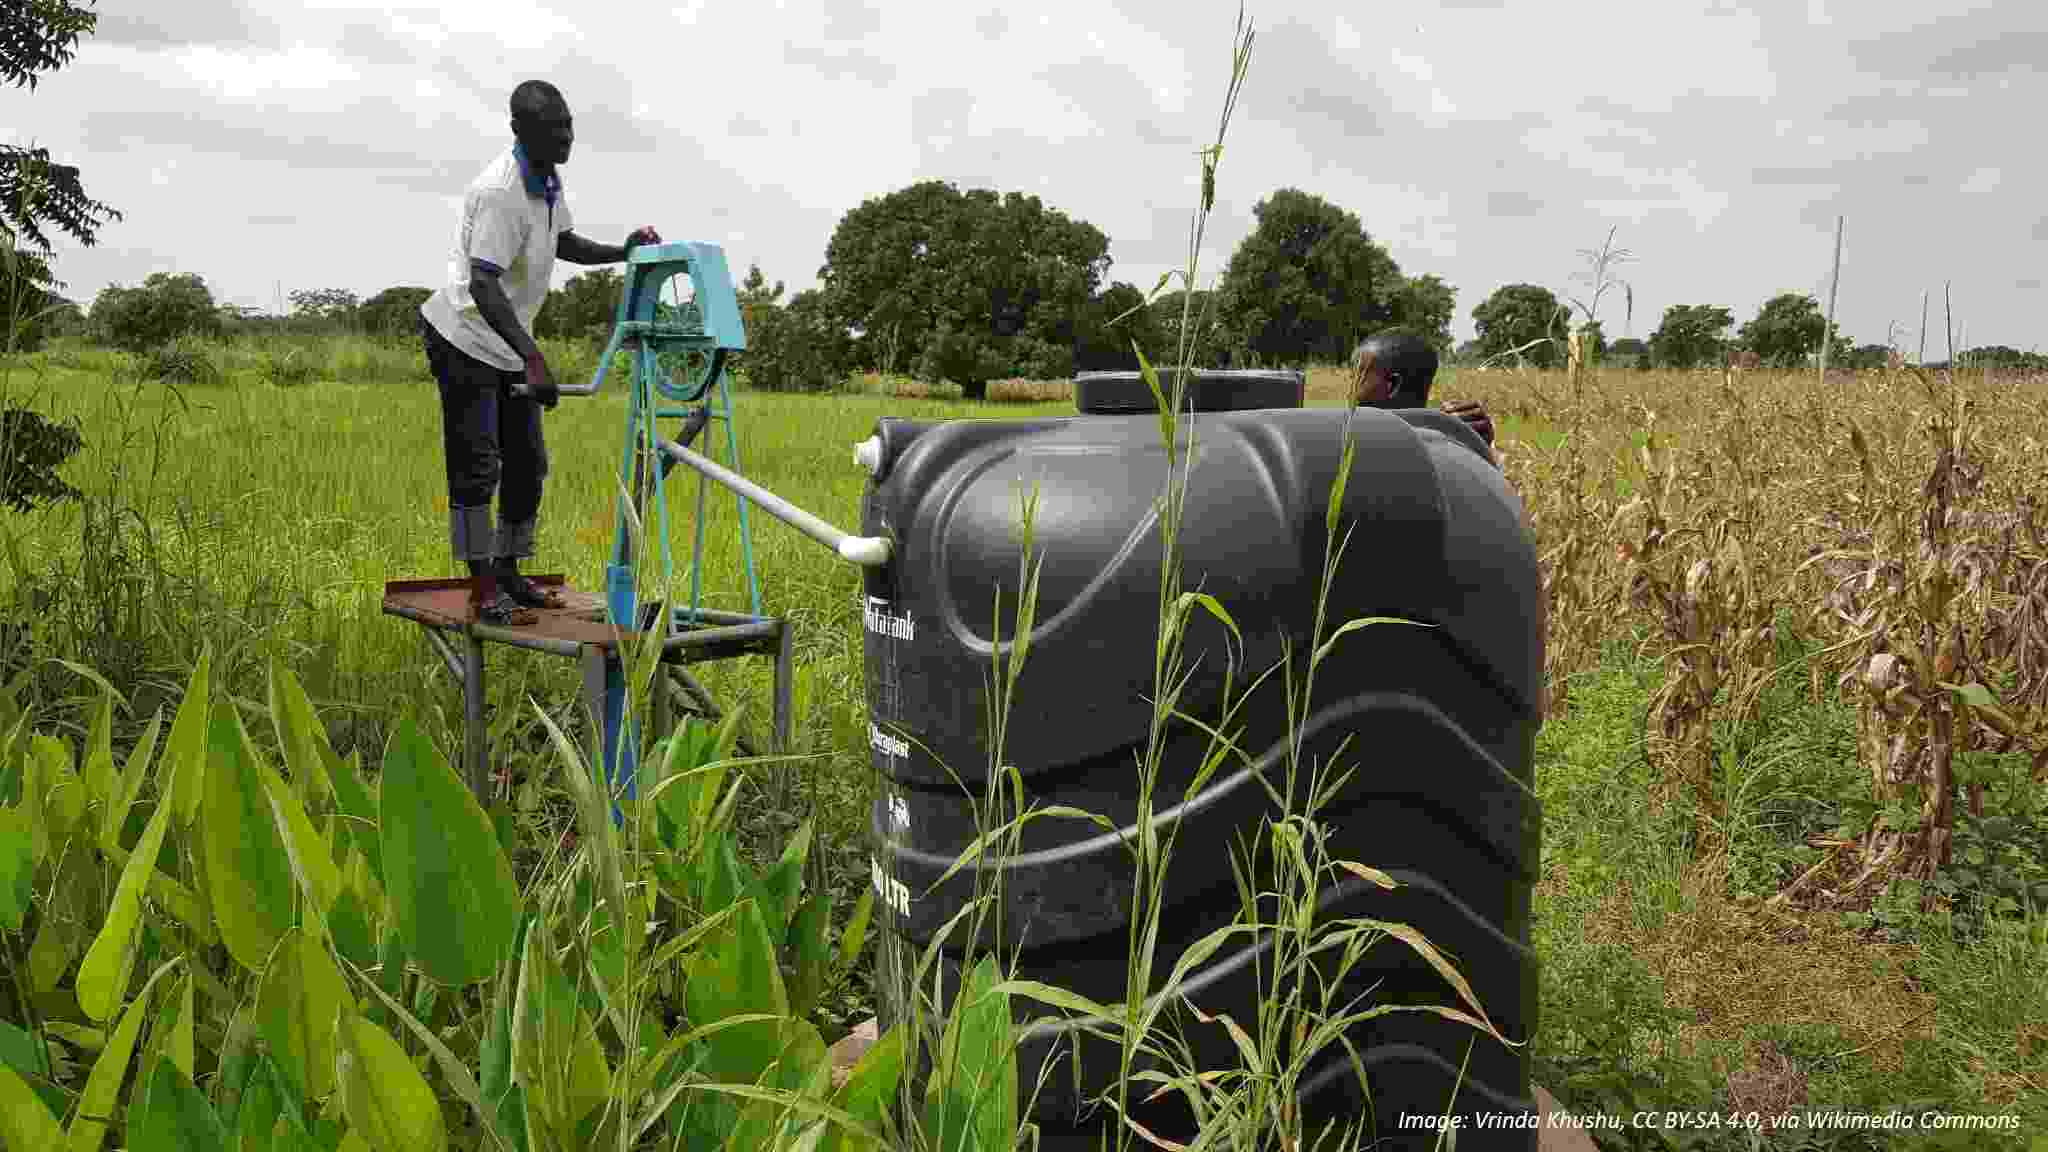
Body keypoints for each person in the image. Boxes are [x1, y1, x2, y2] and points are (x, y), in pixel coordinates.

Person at [418, 80, 662, 625]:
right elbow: (483, 284)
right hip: (463, 336)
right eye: (553, 130)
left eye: (568, 125)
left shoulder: (547, 181)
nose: (566, 137)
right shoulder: (501, 191)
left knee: (528, 462)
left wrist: (621, 252)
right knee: (477, 464)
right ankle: (483, 588)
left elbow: (565, 243)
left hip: (505, 341)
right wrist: (532, 355)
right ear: (519, 132)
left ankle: (508, 571)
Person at [1350, 329, 1495, 450]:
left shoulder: (1351, 444)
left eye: (1357, 379)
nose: (1351, 393)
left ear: (1392, 384)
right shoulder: (1448, 443)